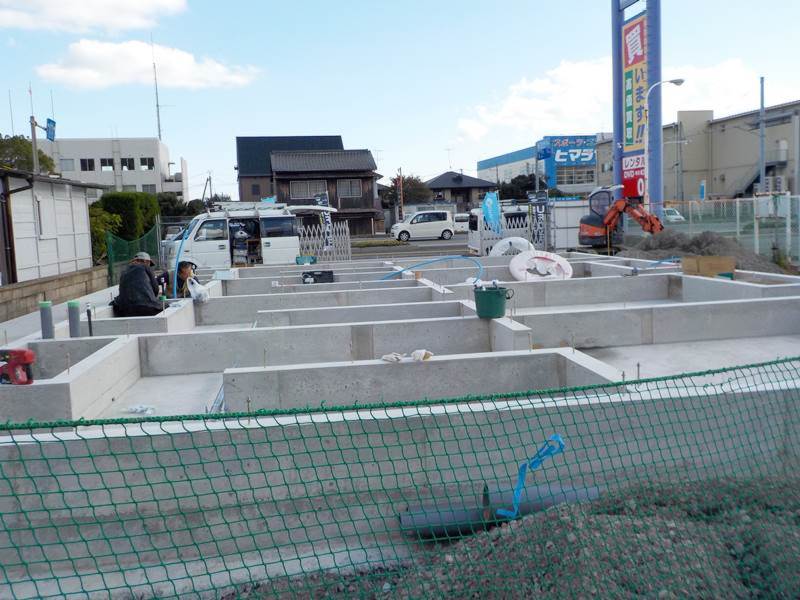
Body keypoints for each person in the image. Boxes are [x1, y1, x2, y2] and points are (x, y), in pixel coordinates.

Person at [110, 252, 164, 317]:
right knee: (167, 306)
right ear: (145, 261)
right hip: (147, 308)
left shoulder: (124, 272)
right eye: (149, 264)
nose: (149, 266)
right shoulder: (145, 267)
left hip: (126, 311)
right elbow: (156, 290)